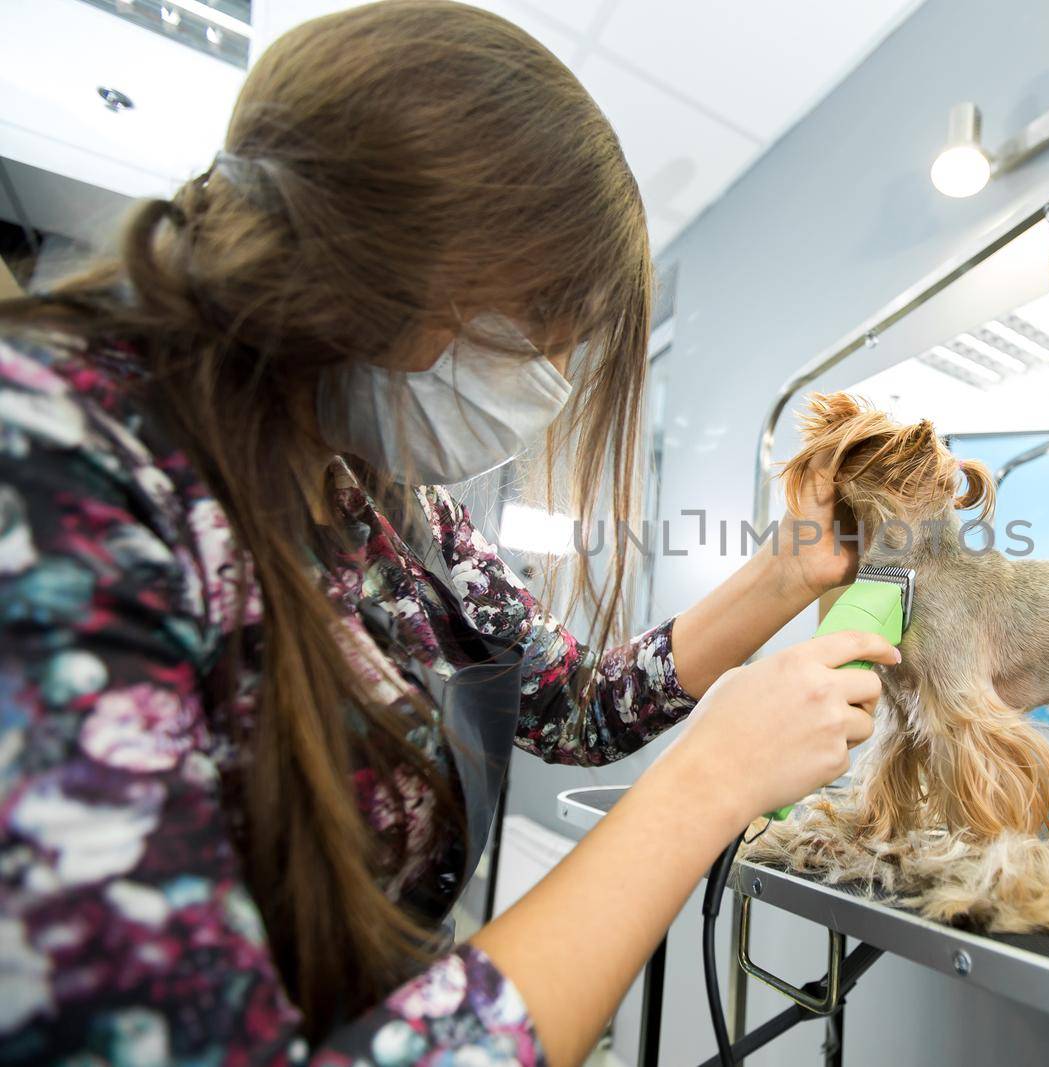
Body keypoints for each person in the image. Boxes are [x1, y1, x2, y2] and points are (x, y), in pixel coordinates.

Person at [0, 3, 894, 1064]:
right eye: (535, 335)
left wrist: (789, 570)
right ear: (380, 273)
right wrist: (704, 786)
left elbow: (573, 704)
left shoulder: (388, 506)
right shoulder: (54, 469)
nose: (549, 381)